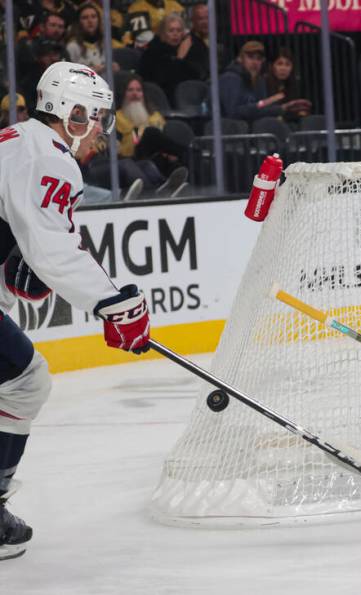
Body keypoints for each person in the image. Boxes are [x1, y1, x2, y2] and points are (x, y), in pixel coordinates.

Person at [0, 62, 152, 561]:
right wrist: (117, 304)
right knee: (25, 383)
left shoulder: (18, 139)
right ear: (73, 113)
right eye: (96, 117)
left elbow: (31, 241)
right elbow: (55, 250)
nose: (101, 130)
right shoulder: (50, 158)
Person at [113, 72, 188, 186]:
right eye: (130, 90)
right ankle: (187, 153)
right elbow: (117, 150)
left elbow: (164, 141)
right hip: (133, 160)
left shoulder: (155, 116)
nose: (135, 94)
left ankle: (166, 184)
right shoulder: (117, 117)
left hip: (158, 158)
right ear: (123, 93)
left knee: (176, 166)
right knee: (149, 132)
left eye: (139, 90)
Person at [219, 41, 301, 123]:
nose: (255, 62)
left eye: (259, 58)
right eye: (250, 57)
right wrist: (277, 108)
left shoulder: (259, 81)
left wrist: (279, 108)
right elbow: (233, 113)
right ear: (240, 59)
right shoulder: (231, 78)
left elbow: (260, 106)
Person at [137, 12, 206, 104]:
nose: (175, 34)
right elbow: (163, 79)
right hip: (161, 99)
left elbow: (199, 74)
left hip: (191, 99)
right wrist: (179, 58)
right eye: (171, 30)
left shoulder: (192, 47)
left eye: (179, 30)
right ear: (163, 33)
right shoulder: (153, 52)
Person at [65, 2, 121, 76]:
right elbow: (69, 73)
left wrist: (114, 67)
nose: (90, 21)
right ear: (78, 22)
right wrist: (93, 70)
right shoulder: (72, 46)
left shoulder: (106, 44)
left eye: (93, 17)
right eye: (85, 18)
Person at [264, 47, 312, 123]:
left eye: (287, 64)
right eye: (279, 64)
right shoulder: (263, 84)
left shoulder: (296, 85)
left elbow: (302, 111)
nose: (283, 68)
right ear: (272, 66)